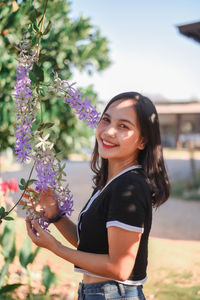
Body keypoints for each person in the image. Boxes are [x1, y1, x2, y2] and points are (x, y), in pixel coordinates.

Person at [25, 92, 170, 300]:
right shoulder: (111, 182)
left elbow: (120, 268)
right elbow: (92, 247)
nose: (109, 131)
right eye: (106, 120)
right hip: (97, 293)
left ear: (142, 141)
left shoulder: (129, 187)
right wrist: (56, 216)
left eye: (123, 126)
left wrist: (55, 247)